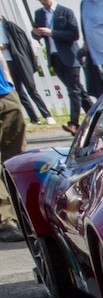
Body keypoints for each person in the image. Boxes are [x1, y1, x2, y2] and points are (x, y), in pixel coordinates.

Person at [30, 3, 89, 129]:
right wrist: (36, 33)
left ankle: (74, 123)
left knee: (73, 90)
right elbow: (36, 34)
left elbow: (74, 34)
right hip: (54, 57)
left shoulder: (65, 11)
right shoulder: (39, 14)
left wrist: (52, 33)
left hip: (70, 56)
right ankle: (98, 117)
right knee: (78, 90)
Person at [4, 20, 54, 124]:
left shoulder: (9, 25)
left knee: (31, 89)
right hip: (6, 63)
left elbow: (19, 42)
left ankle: (47, 115)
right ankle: (34, 118)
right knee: (19, 92)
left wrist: (6, 46)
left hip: (19, 61)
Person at [0, 59, 25, 242]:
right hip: (8, 97)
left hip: (7, 96)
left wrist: (9, 82)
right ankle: (12, 219)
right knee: (12, 163)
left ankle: (14, 218)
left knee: (14, 162)